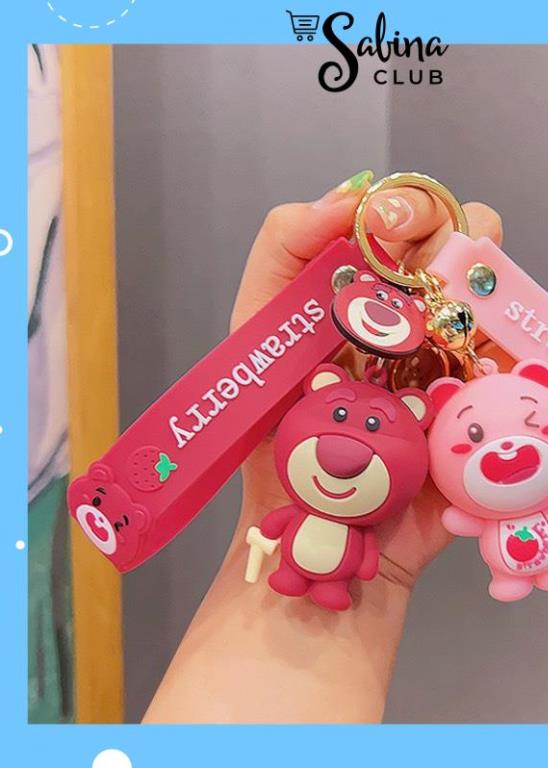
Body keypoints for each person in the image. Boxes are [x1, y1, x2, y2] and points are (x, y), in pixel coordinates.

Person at [143, 171, 504, 723]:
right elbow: (280, 525)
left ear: (415, 415)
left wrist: (375, 563)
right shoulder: (304, 432)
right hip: (292, 567)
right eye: (337, 414)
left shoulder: (391, 470)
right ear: (321, 388)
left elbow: (355, 553)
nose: (347, 451)